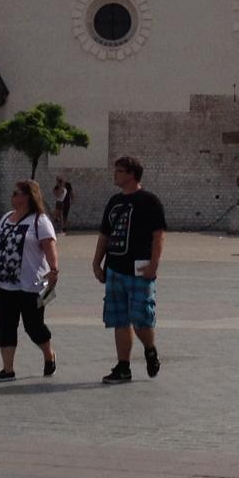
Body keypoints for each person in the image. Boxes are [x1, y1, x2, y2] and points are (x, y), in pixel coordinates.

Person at [0, 179, 59, 382]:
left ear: (27, 196)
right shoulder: (7, 218)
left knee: (33, 325)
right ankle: (8, 369)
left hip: (33, 284)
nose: (12, 197)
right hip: (4, 282)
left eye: (16, 193)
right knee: (6, 325)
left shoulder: (39, 221)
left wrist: (54, 270)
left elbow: (49, 247)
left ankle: (49, 354)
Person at [92, 155, 166, 384]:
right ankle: (123, 366)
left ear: (132, 174)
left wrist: (154, 265)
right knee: (119, 319)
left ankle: (150, 349)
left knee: (140, 318)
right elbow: (105, 234)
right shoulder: (114, 202)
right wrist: (97, 261)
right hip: (115, 268)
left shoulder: (149, 201)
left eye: (119, 171)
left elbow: (158, 235)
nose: (115, 174)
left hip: (140, 270)